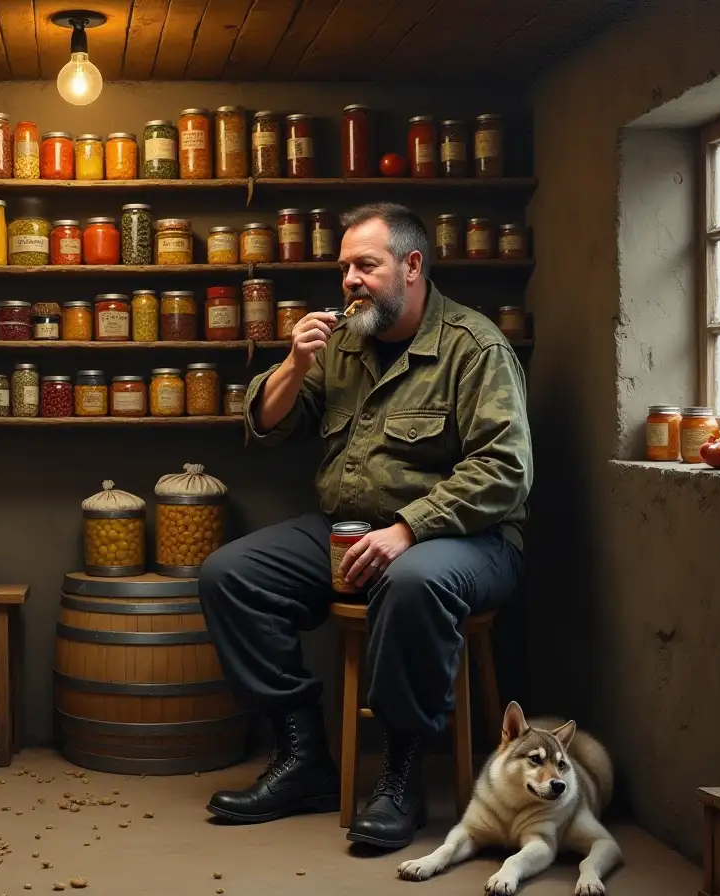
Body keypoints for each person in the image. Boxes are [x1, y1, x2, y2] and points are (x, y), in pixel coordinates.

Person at [197, 202, 532, 850]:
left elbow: (504, 470)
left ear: (411, 266)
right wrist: (294, 363)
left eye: (365, 265)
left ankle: (400, 778)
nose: (349, 278)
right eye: (344, 266)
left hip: (469, 541)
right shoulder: (342, 344)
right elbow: (269, 426)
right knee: (230, 574)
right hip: (349, 530)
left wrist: (408, 529)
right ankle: (304, 763)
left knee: (411, 583)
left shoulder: (473, 346)